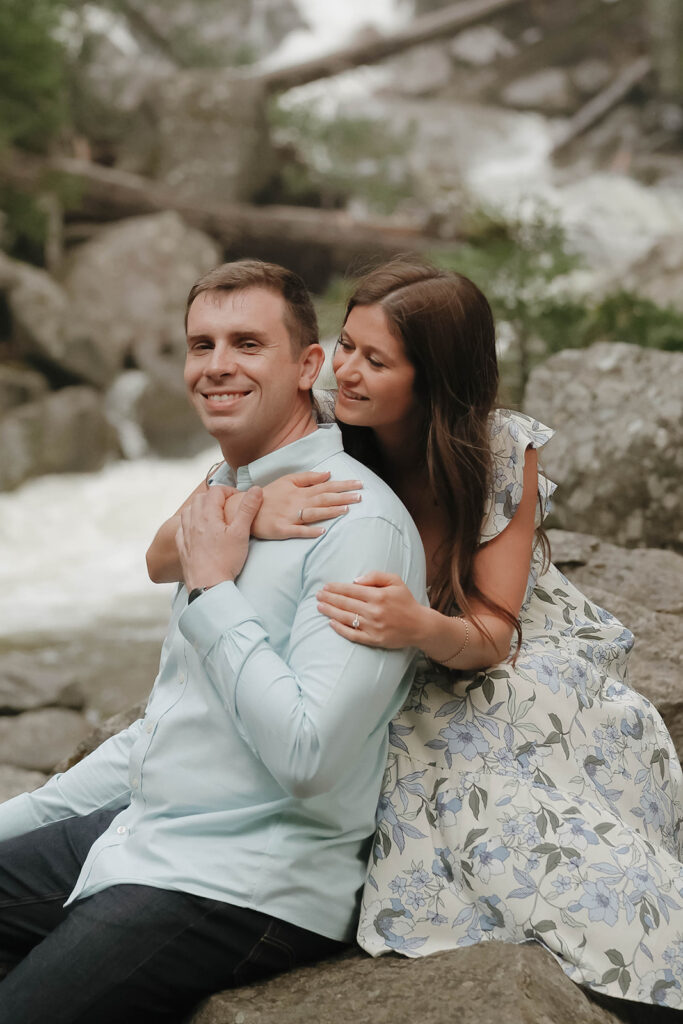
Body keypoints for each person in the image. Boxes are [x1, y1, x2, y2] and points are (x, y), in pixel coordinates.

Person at [0, 260, 426, 1024]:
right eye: (202, 345)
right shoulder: (226, 491)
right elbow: (167, 735)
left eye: (246, 343)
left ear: (307, 366)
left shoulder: (358, 527)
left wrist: (215, 590)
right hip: (152, 829)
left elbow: (308, 757)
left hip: (246, 878)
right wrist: (22, 814)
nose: (217, 366)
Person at [308, 260, 683, 1013]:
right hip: (387, 653)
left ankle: (639, 952)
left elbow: (487, 635)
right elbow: (173, 544)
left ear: (434, 379)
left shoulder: (500, 447)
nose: (343, 371)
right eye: (344, 343)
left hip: (483, 642)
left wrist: (416, 624)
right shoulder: (316, 415)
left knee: (533, 763)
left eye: (374, 360)